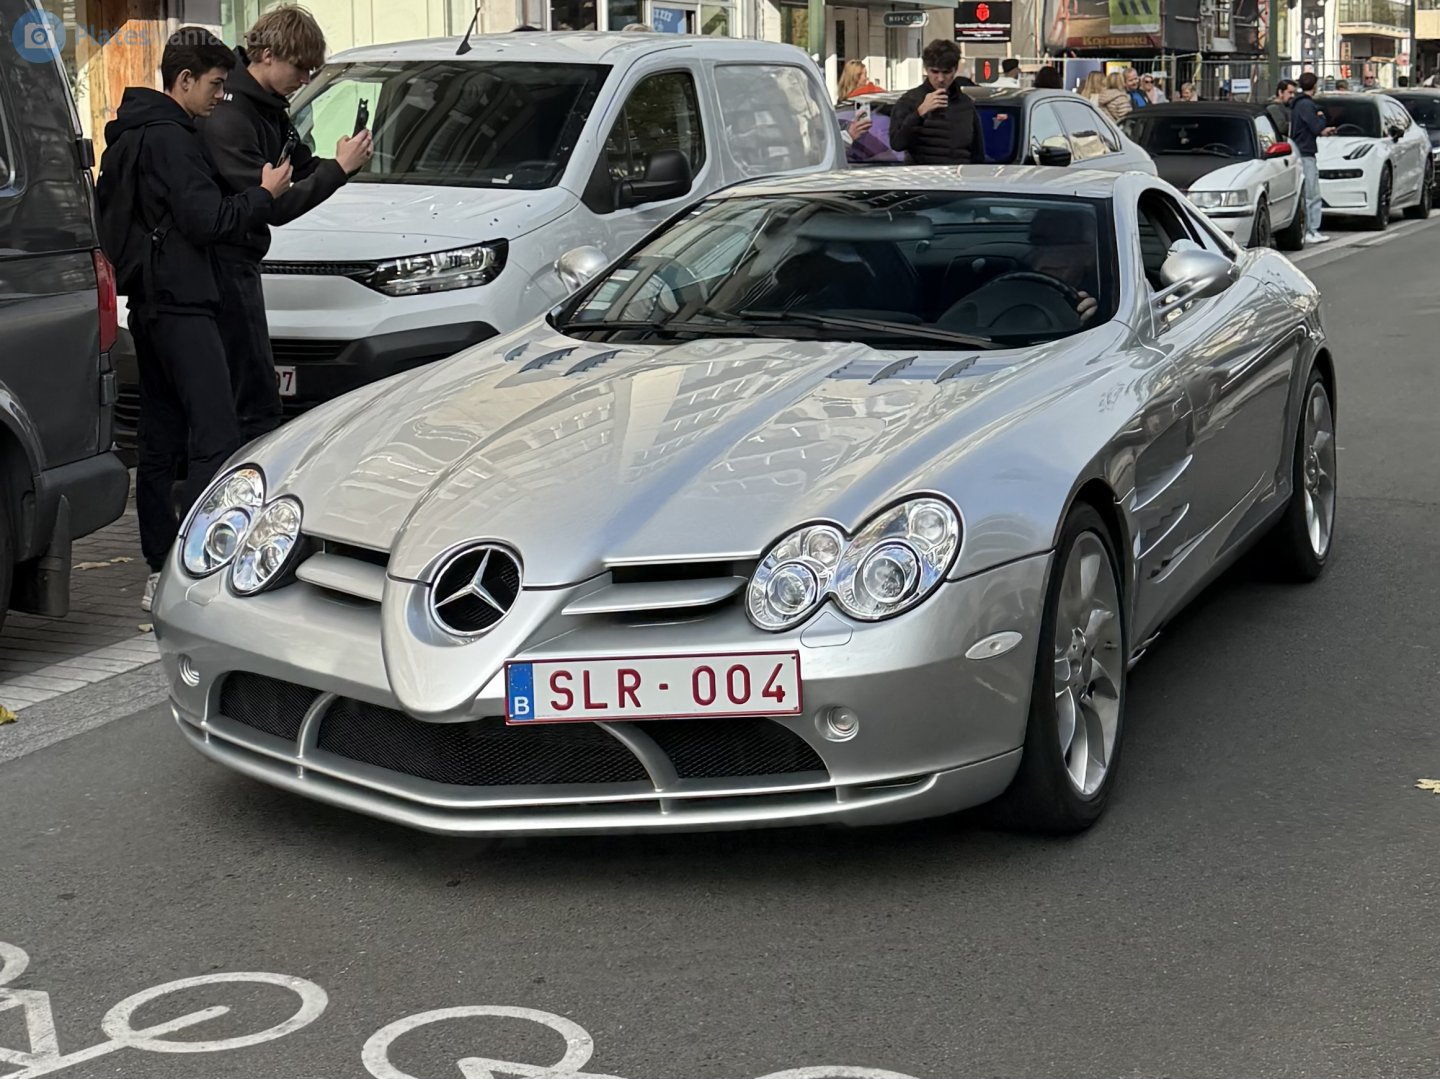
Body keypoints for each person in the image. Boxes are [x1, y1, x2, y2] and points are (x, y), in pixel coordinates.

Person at [95, 28, 291, 611]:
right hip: (185, 301)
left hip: (149, 304)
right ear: (183, 80)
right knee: (215, 436)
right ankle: (204, 565)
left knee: (160, 439)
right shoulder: (173, 140)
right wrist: (265, 194)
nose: (218, 97)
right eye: (211, 85)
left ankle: (158, 564)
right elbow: (207, 220)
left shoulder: (131, 132)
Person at [198, 6, 372, 444]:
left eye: (312, 69)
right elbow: (271, 204)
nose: (304, 77)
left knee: (255, 395)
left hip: (240, 266)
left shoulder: (268, 106)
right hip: (222, 268)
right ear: (269, 55)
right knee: (250, 402)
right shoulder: (232, 115)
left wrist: (335, 163)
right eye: (300, 67)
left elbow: (298, 163)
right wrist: (338, 170)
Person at [889, 39, 986, 165]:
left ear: (955, 69)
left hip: (958, 178)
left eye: (946, 72)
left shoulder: (965, 103)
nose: (940, 79)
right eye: (934, 72)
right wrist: (920, 113)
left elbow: (977, 152)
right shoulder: (910, 100)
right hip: (923, 178)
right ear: (926, 69)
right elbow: (897, 143)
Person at [1292, 71, 1337, 244]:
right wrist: (1321, 118)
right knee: (1312, 193)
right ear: (1315, 86)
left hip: (1300, 149)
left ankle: (1309, 228)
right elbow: (1316, 126)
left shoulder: (1297, 104)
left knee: (1307, 192)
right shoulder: (1307, 105)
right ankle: (1312, 229)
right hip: (1306, 151)